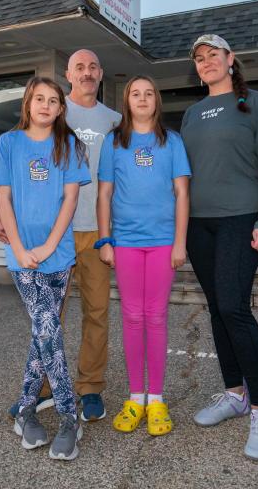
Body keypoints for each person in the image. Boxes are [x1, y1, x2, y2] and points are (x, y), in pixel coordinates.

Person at [0, 50, 121, 422]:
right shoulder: (47, 110)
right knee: (48, 316)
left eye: (94, 66)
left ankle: (91, 387)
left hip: (96, 230)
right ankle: (43, 387)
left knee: (97, 311)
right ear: (68, 74)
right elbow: (11, 175)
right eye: (79, 66)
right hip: (53, 234)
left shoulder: (115, 120)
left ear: (101, 73)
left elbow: (120, 176)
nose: (87, 72)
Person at [180, 34, 258, 460]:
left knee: (234, 308)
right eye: (200, 59)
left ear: (230, 59)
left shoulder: (255, 103)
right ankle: (234, 393)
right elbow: (181, 175)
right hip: (198, 226)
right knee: (218, 308)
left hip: (241, 220)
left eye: (213, 56)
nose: (206, 63)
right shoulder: (191, 113)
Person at [0, 76, 91, 461]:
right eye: (39, 99)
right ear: (28, 104)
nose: (46, 106)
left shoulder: (70, 145)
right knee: (47, 327)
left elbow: (69, 202)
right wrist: (19, 247)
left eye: (53, 100)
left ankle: (26, 411)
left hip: (58, 255)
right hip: (21, 257)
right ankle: (69, 417)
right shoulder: (8, 144)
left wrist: (49, 245)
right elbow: (4, 198)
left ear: (61, 108)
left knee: (41, 333)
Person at [95, 75, 191, 437]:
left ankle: (157, 399)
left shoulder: (173, 141)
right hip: (127, 242)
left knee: (157, 316)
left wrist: (180, 242)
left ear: (157, 101)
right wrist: (106, 240)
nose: (143, 98)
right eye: (136, 93)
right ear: (127, 101)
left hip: (164, 241)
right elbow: (104, 195)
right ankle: (135, 396)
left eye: (149, 93)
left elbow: (182, 194)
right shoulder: (114, 142)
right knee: (133, 316)